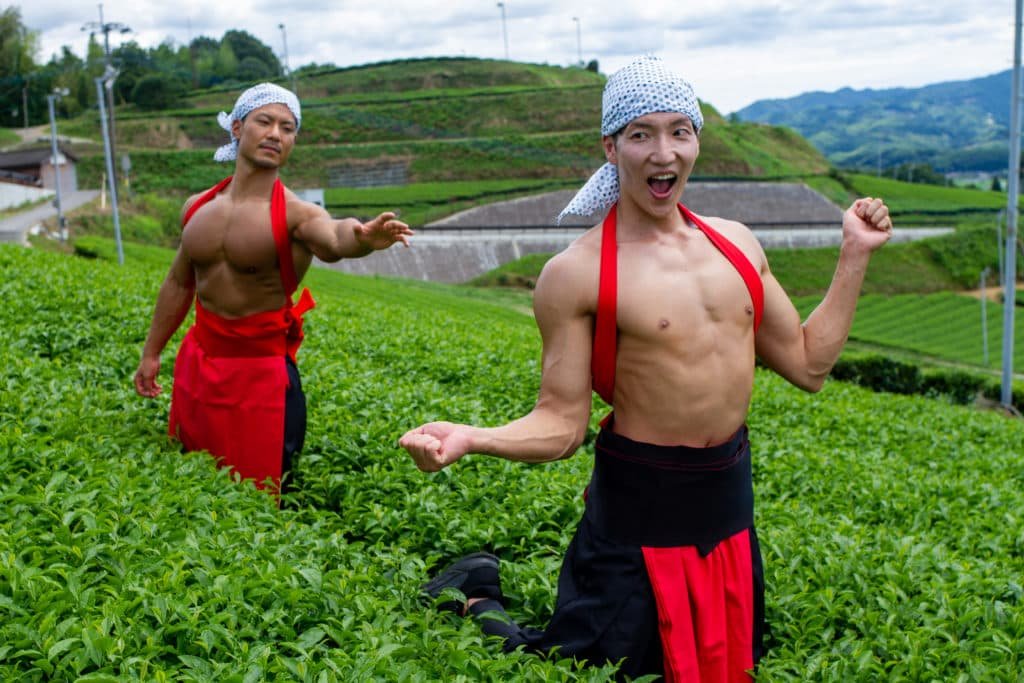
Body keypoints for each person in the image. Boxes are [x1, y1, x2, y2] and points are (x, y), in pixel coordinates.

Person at [399, 56, 892, 681]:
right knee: (571, 664)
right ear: (611, 146)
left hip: (725, 517)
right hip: (635, 523)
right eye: (641, 134)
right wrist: (472, 438)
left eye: (679, 131)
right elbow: (561, 424)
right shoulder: (575, 274)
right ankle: (474, 593)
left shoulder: (738, 245)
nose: (664, 152)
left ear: (697, 141)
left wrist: (855, 254)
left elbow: (808, 364)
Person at [135, 82, 412, 497]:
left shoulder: (298, 215)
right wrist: (152, 351)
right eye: (264, 122)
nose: (275, 134)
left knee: (256, 499)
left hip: (260, 379)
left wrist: (362, 237)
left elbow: (336, 238)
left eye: (287, 128)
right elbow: (179, 282)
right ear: (236, 127)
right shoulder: (197, 207)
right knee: (190, 491)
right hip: (198, 367)